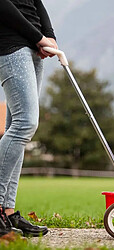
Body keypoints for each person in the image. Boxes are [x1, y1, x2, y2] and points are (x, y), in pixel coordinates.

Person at [0, 0, 58, 237]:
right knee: (25, 124)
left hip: (33, 48)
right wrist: (39, 37)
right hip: (11, 45)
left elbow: (36, 3)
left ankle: (8, 211)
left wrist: (49, 37)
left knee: (17, 128)